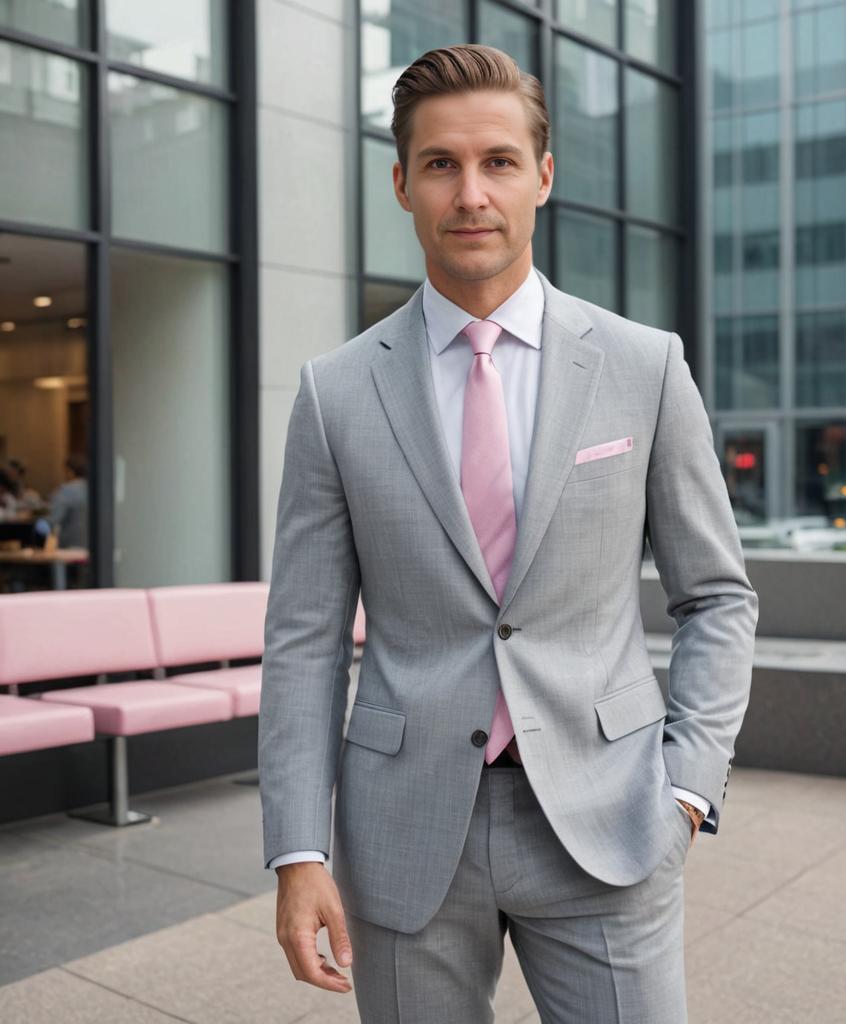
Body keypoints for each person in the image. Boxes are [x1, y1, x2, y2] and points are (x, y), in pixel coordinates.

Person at [259, 43, 758, 1023]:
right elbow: (306, 636)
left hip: (612, 817)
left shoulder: (642, 366)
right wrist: (297, 850)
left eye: (496, 162)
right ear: (401, 183)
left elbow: (716, 596)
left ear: (543, 177)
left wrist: (688, 789)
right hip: (402, 833)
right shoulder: (335, 392)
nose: (470, 192)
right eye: (440, 164)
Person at [47, 454, 89, 549]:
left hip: (69, 547)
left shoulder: (66, 490)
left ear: (70, 471)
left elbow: (54, 519)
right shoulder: (96, 490)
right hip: (92, 547)